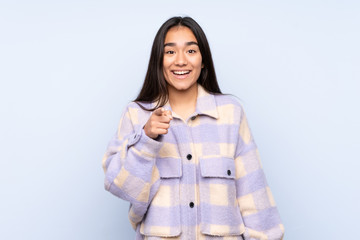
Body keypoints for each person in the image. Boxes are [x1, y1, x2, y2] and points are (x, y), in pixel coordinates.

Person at [102, 16, 284, 240]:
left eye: (190, 51)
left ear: (203, 59)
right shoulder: (137, 114)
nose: (180, 61)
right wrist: (146, 139)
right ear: (158, 60)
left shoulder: (230, 113)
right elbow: (120, 186)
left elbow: (254, 195)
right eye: (170, 52)